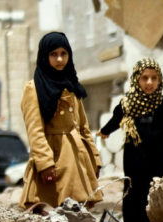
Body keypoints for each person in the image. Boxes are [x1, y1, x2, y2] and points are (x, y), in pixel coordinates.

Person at [100, 58, 163, 222]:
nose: (149, 83)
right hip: (133, 164)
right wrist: (104, 132)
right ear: (136, 79)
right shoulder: (127, 105)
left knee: (154, 200)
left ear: (159, 80)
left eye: (154, 78)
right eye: (144, 78)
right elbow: (114, 121)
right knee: (133, 198)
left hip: (157, 163)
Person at [19, 31, 102, 210]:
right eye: (53, 54)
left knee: (78, 213)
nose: (59, 59)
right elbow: (35, 130)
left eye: (64, 54)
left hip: (77, 161)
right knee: (49, 213)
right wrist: (45, 163)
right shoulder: (33, 89)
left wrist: (94, 158)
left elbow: (83, 127)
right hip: (54, 161)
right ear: (44, 56)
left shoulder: (71, 86)